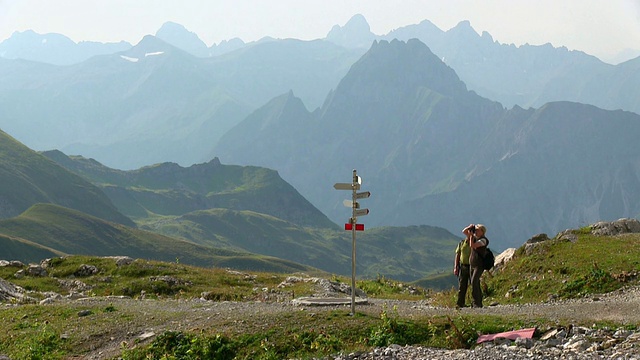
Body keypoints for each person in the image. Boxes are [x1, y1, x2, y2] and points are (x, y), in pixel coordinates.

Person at [463, 223, 488, 308]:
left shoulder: (483, 240)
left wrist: (470, 237)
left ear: (482, 231)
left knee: (474, 282)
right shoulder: (475, 238)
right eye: (475, 230)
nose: (475, 232)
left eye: (477, 230)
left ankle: (476, 303)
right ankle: (477, 302)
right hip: (472, 264)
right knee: (475, 283)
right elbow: (464, 231)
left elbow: (473, 246)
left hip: (479, 265)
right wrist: (469, 227)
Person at [454, 234, 471, 308]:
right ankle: (460, 303)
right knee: (462, 285)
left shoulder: (475, 242)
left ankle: (475, 302)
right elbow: (458, 255)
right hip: (463, 266)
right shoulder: (462, 243)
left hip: (472, 266)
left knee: (474, 284)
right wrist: (456, 266)